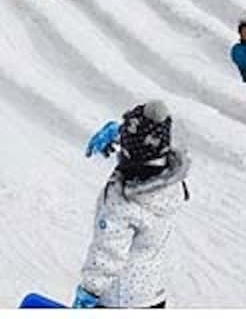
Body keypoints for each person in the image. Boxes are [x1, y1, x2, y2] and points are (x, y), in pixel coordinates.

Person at [74, 100, 190, 309]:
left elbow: (108, 253)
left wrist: (89, 291)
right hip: (151, 296)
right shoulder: (170, 183)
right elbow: (152, 143)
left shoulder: (124, 205)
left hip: (118, 300)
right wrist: (120, 132)